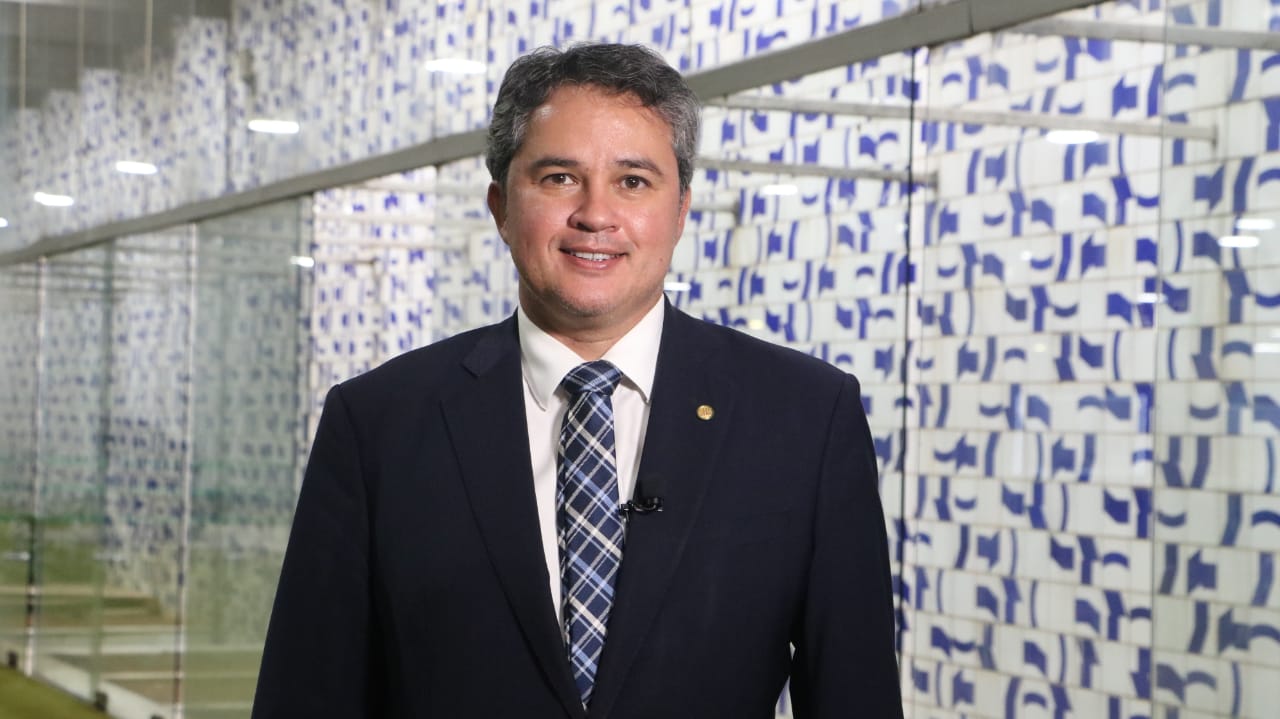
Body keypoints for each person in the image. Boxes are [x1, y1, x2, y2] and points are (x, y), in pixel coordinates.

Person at [252, 42, 902, 719]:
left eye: (633, 181)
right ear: (502, 207)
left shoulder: (806, 418)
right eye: (560, 177)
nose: (596, 214)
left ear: (680, 211)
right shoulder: (377, 424)